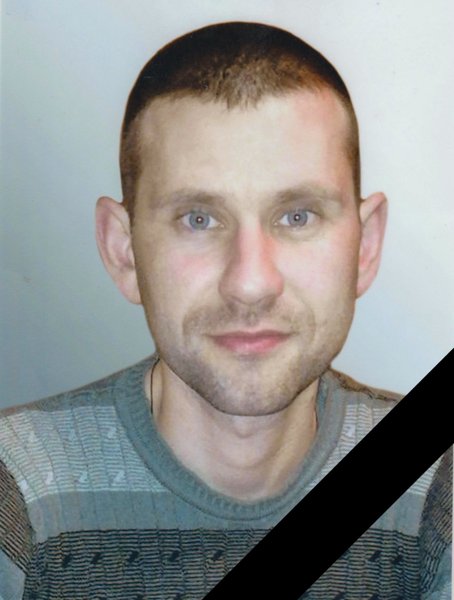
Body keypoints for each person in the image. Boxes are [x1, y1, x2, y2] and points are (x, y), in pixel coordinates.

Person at [0, 21, 451, 600]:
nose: (251, 283)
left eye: (297, 216)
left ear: (364, 247)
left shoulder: (438, 487)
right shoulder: (18, 485)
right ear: (124, 250)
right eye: (199, 219)